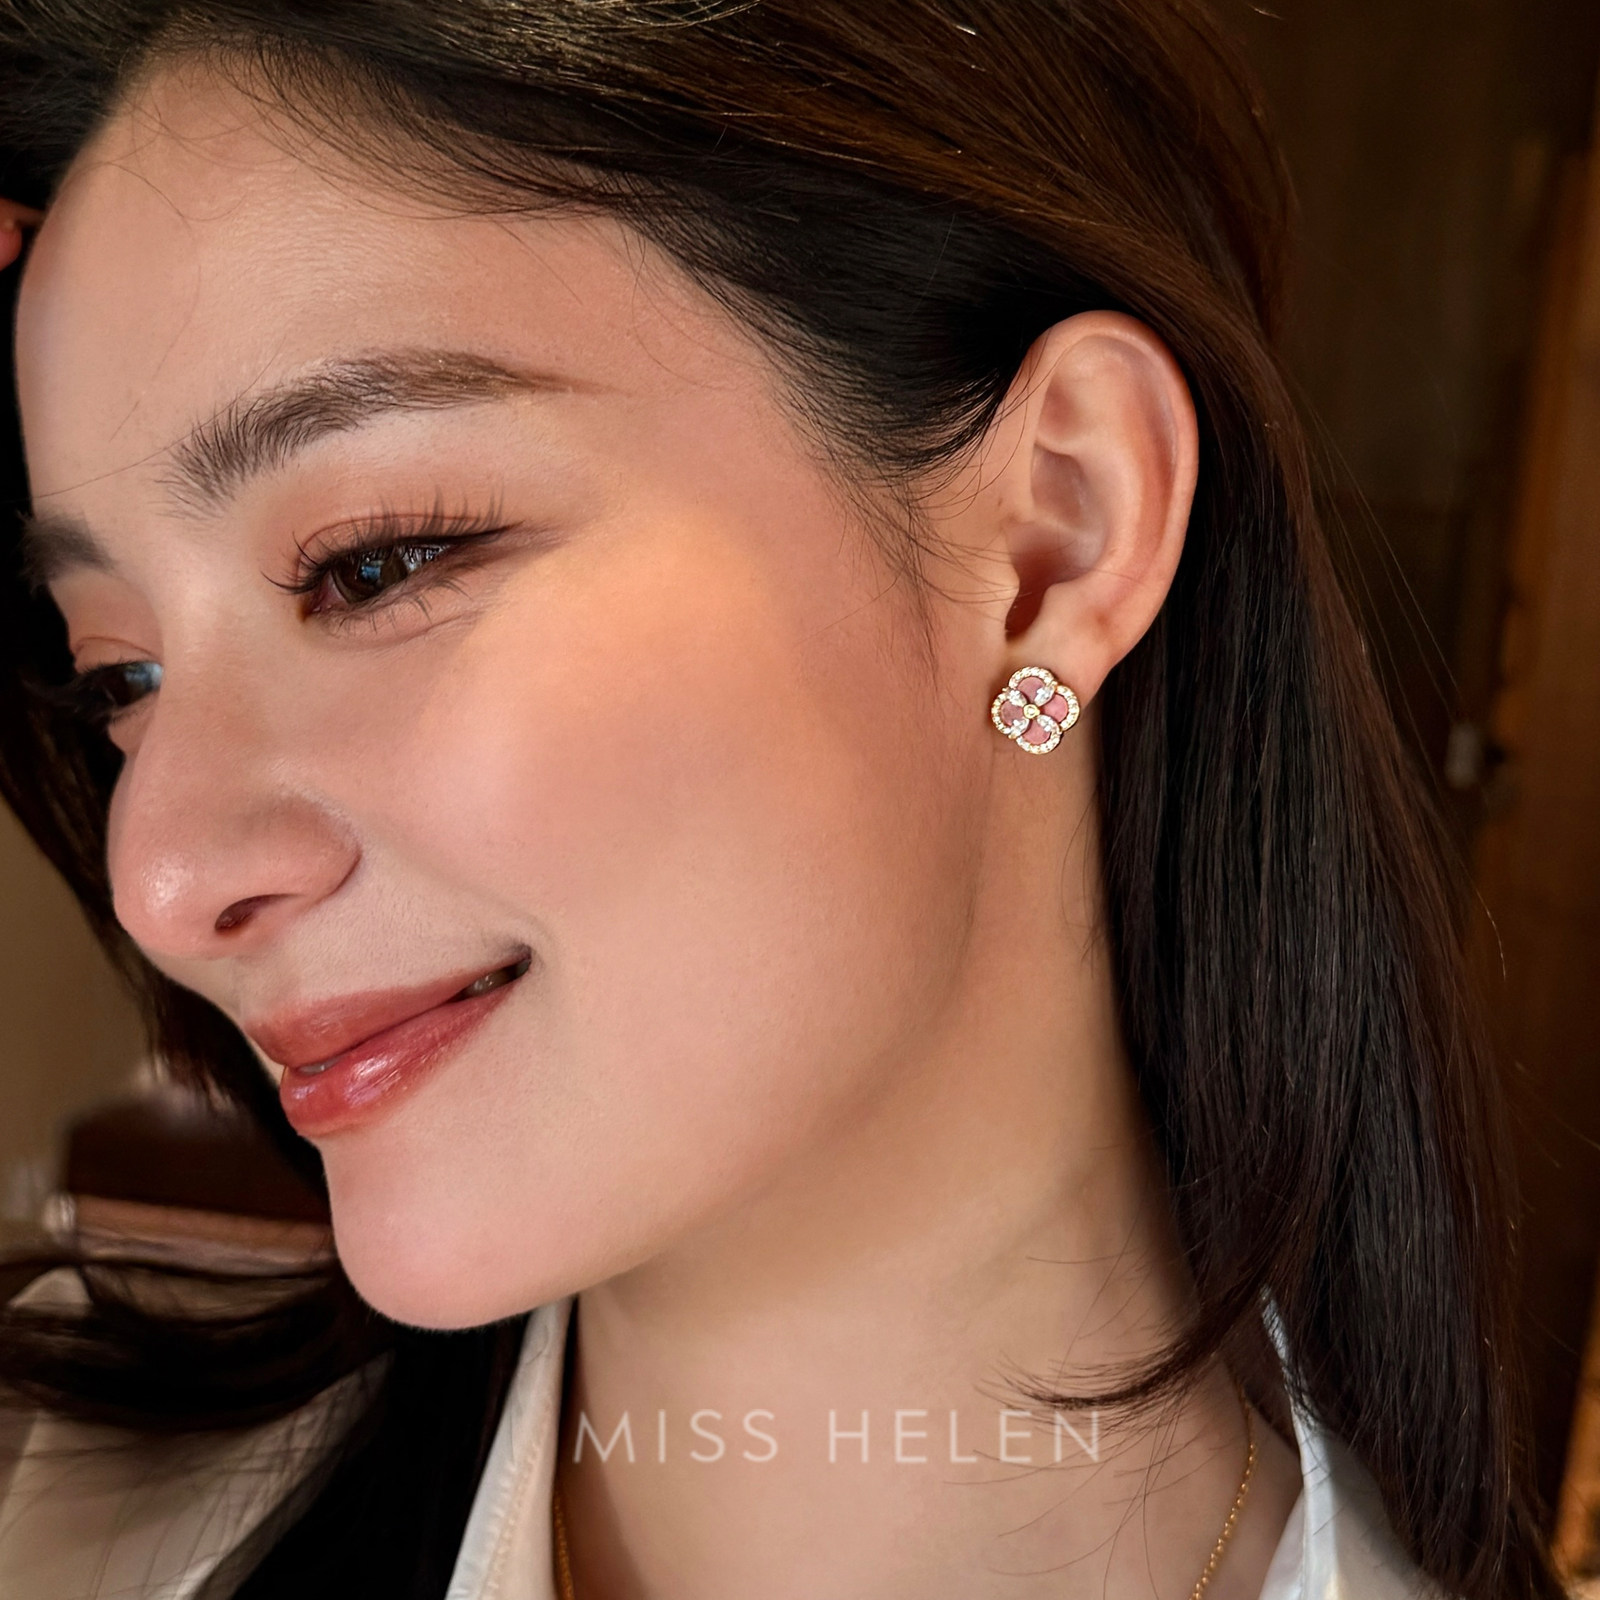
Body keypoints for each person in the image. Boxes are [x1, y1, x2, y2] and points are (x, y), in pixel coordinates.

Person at [0, 2, 1561, 1597]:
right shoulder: (58, 1529)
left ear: (1057, 537)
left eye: (377, 563)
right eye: (120, 676)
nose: (161, 875)